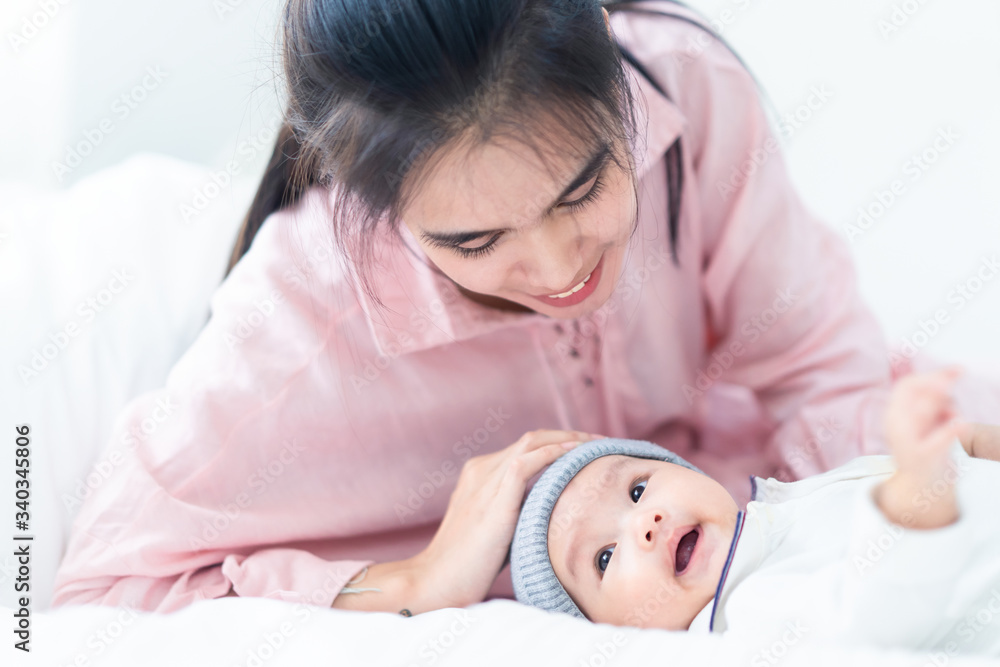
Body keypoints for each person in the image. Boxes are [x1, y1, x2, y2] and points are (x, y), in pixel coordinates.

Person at [50, 0, 1000, 615]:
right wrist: (412, 581)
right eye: (474, 242)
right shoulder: (291, 336)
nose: (557, 269)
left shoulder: (690, 90)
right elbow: (90, 592)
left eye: (583, 187)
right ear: (370, 209)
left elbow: (812, 364)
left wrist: (887, 485)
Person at [510, 367, 1000, 656]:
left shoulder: (791, 503)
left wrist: (969, 442)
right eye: (604, 557)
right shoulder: (745, 619)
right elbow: (875, 621)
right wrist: (917, 493)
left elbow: (961, 455)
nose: (644, 522)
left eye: (638, 491)